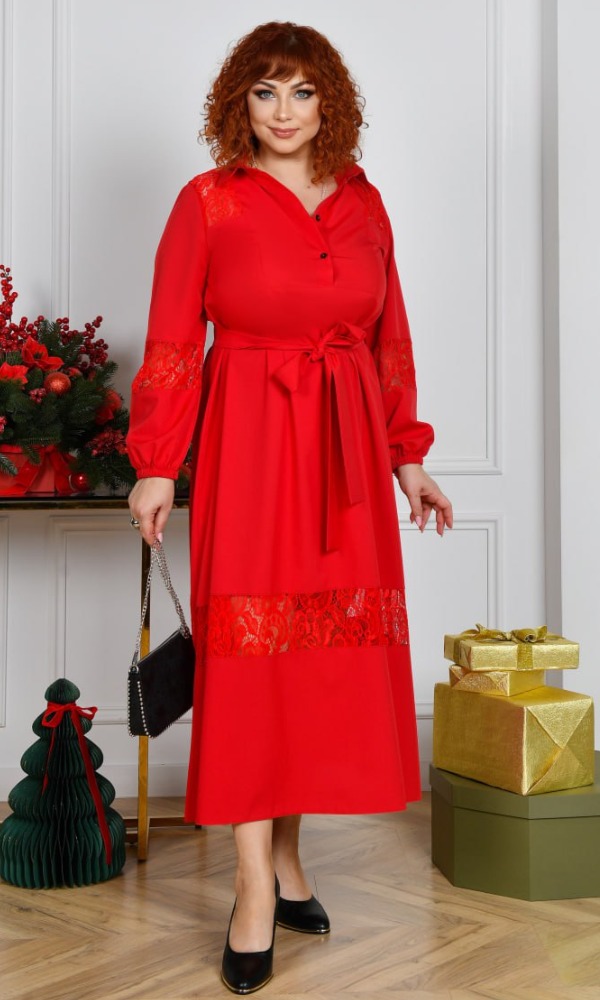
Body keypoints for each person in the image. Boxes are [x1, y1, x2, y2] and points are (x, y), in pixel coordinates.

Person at [126, 20, 452, 995]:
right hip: (253, 444)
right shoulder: (209, 201)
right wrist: (157, 463)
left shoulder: (364, 201)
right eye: (264, 91)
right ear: (239, 101)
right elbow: (173, 338)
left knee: (312, 660)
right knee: (253, 661)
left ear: (328, 103)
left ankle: (292, 860)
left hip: (346, 447)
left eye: (301, 92)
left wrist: (407, 457)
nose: (282, 111)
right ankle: (253, 885)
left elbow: (391, 337)